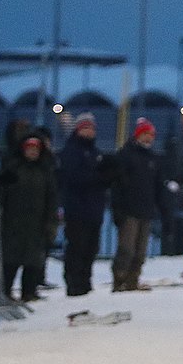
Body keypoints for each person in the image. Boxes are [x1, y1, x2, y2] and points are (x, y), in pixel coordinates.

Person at [58, 113, 114, 297]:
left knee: (90, 248)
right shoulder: (71, 150)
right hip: (77, 208)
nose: (89, 131)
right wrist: (99, 177)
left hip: (93, 209)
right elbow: (74, 177)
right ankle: (74, 284)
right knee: (77, 248)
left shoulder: (95, 152)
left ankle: (85, 281)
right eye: (85, 128)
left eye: (91, 128)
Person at [0, 134, 59, 302]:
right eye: (29, 149)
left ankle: (29, 292)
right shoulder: (14, 169)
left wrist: (51, 223)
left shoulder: (45, 172)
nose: (32, 152)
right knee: (11, 260)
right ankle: (6, 290)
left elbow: (51, 199)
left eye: (35, 149)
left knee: (33, 261)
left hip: (37, 223)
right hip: (13, 222)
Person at [110, 117, 165, 292]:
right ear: (138, 135)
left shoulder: (153, 159)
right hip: (129, 211)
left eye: (151, 135)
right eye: (145, 134)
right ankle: (119, 281)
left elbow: (158, 186)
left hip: (146, 211)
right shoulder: (126, 155)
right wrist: (118, 209)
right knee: (126, 249)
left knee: (140, 251)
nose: (148, 138)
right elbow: (117, 186)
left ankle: (133, 280)